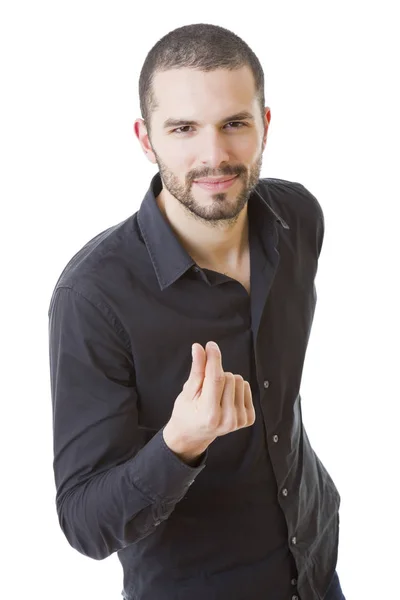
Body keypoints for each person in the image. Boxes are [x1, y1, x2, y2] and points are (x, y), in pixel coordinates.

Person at [48, 23, 346, 600]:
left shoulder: (299, 217)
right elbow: (83, 523)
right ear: (146, 139)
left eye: (234, 123)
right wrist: (178, 444)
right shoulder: (92, 298)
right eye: (183, 129)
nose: (214, 156)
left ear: (264, 125)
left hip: (314, 566)